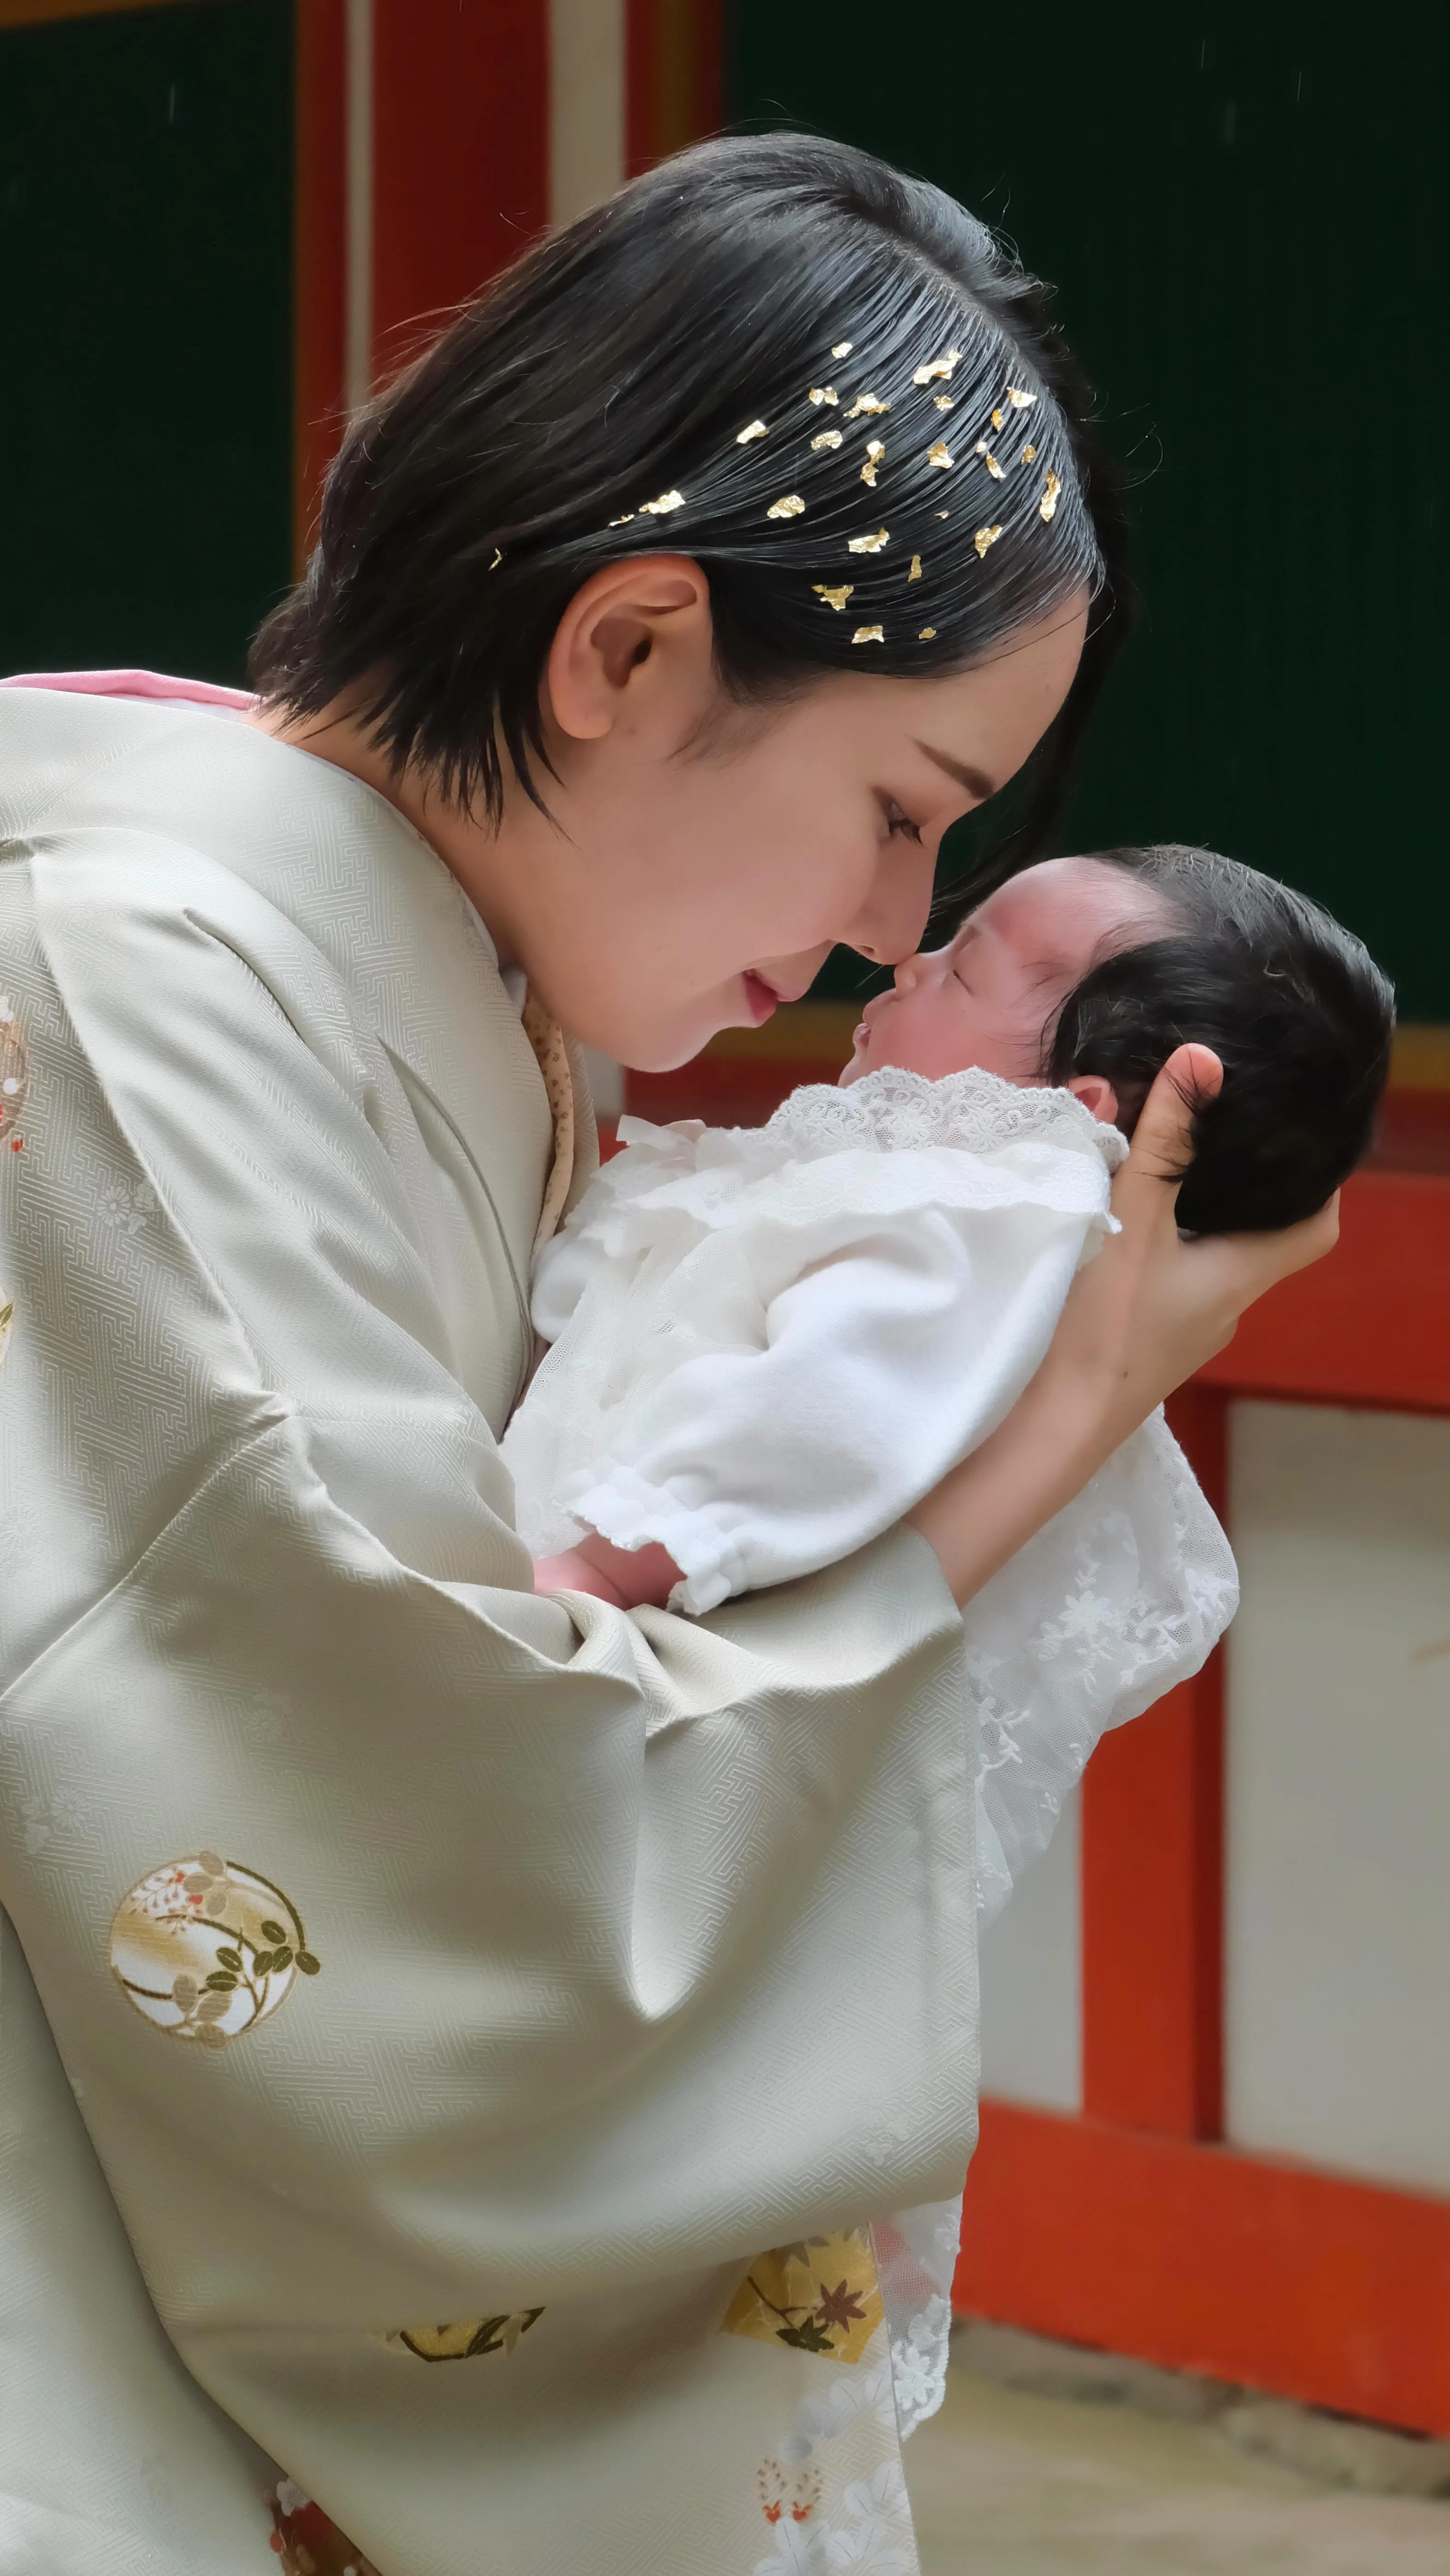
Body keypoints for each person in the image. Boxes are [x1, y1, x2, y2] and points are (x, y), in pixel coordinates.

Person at [0, 136, 1335, 2576]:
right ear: (624, 651)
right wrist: (1055, 1422)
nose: (893, 930)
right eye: (899, 809)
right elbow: (425, 1866)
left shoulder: (453, 995)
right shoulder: (137, 977)